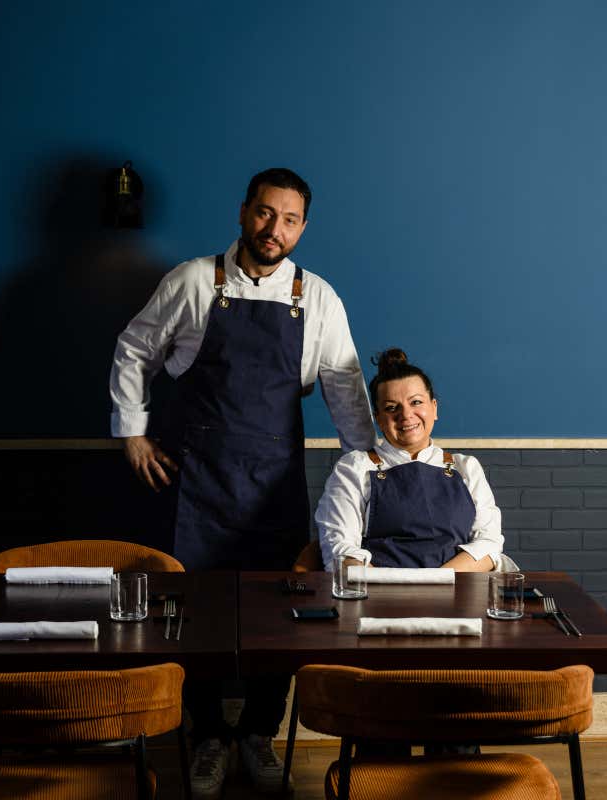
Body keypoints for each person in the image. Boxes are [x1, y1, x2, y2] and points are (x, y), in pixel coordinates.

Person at [109, 167, 374, 798]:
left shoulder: (319, 298)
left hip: (275, 487)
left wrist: (368, 472)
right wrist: (133, 433)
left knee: (280, 618)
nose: (273, 229)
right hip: (194, 483)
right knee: (191, 615)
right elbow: (135, 347)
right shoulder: (195, 281)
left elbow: (344, 388)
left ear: (302, 227)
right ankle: (206, 736)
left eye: (288, 219)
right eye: (263, 213)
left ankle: (256, 733)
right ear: (242, 212)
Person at [315, 348, 502, 572]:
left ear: (434, 408)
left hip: (458, 593)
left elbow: (489, 545)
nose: (406, 415)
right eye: (391, 408)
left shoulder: (466, 467)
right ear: (379, 420)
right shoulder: (354, 468)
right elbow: (340, 550)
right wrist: (389, 593)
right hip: (380, 599)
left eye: (416, 402)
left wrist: (436, 583)